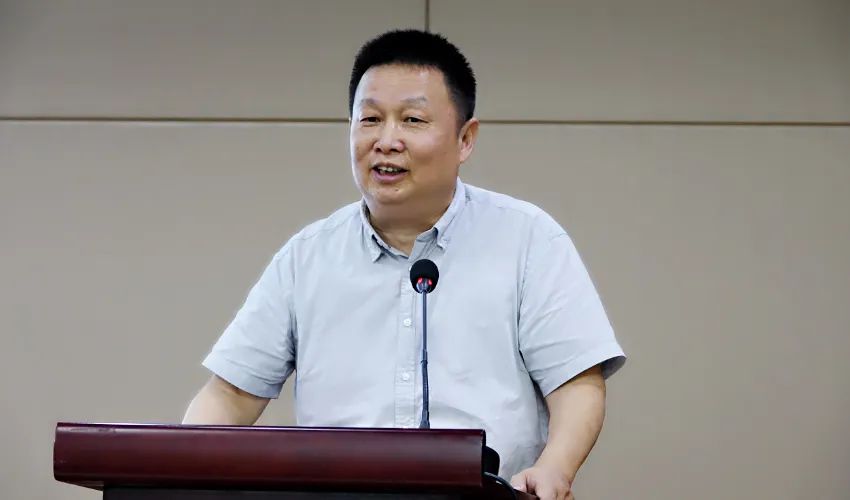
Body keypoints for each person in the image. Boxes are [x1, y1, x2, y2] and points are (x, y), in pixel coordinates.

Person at [183, 29, 625, 500]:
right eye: (370, 119)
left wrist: (555, 467)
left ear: (465, 139)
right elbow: (229, 396)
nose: (387, 140)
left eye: (412, 120)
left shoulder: (527, 239)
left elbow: (575, 382)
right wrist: (180, 473)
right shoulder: (307, 256)